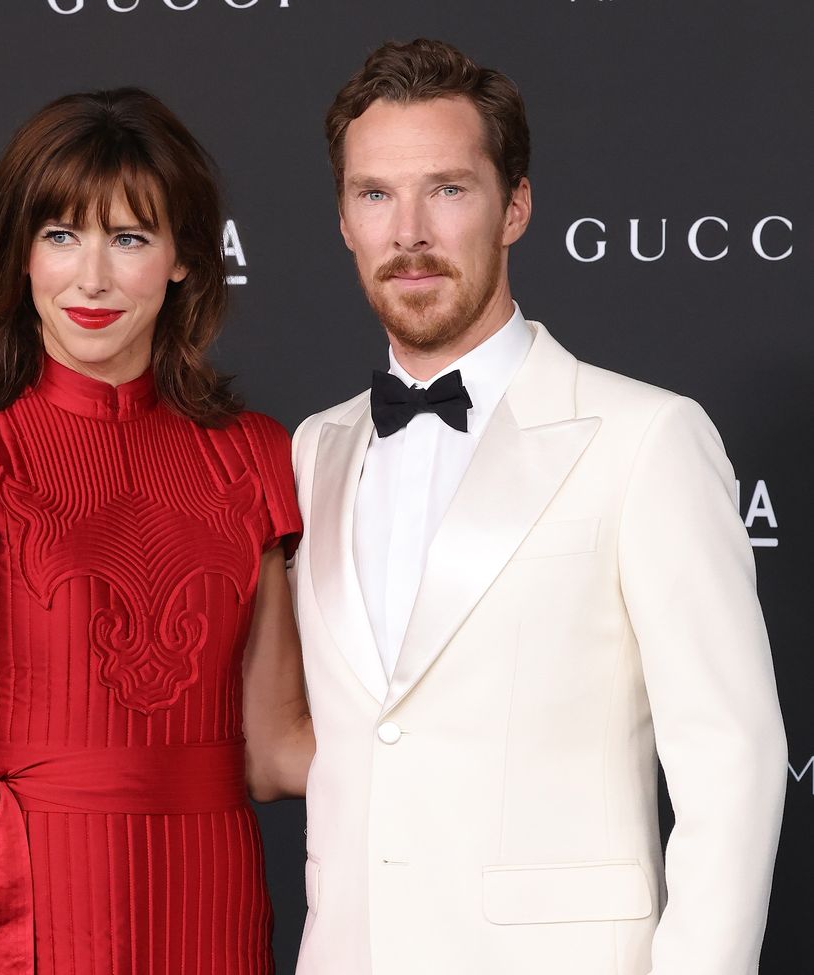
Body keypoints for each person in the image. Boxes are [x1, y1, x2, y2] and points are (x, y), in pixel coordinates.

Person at [285, 40, 787, 974]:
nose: (410, 232)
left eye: (449, 189)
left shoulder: (647, 438)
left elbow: (734, 760)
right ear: (345, 219)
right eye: (376, 195)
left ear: (515, 206)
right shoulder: (318, 448)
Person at [0, 87, 312, 975]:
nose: (93, 279)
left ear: (186, 257)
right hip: (34, 911)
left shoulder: (257, 456)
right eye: (61, 235)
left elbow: (271, 751)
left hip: (214, 907)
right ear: (22, 254)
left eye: (131, 238)